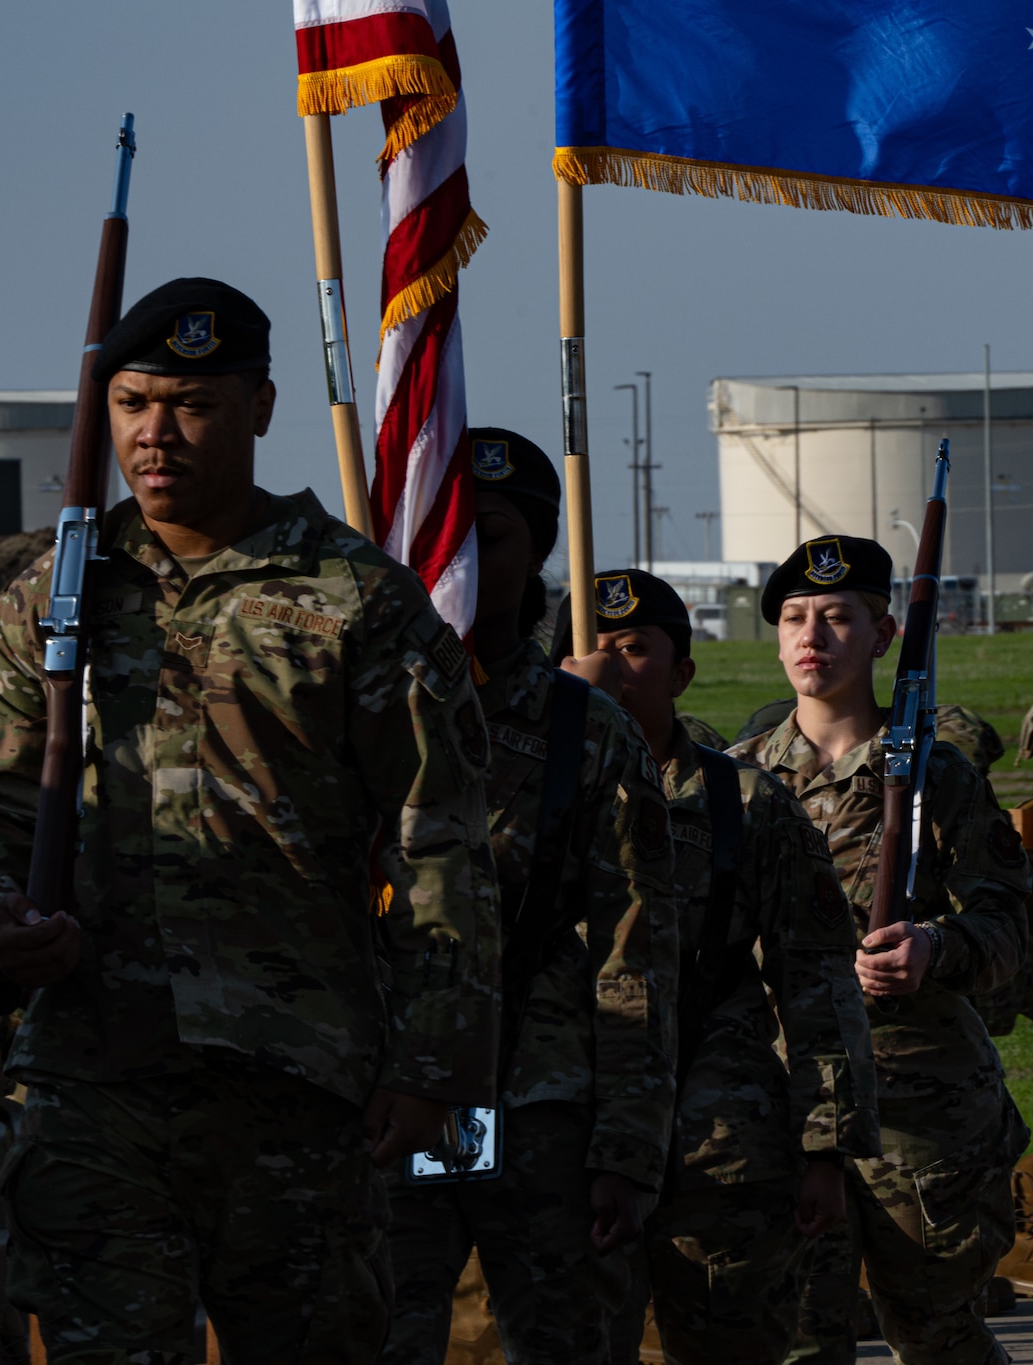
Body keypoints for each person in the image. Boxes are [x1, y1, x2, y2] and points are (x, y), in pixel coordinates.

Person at [0, 278, 501, 1363]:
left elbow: (438, 842)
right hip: (93, 1077)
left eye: (191, 406)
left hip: (292, 1078)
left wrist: (434, 1068)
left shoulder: (355, 599)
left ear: (259, 406)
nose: (155, 435)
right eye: (132, 403)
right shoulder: (53, 604)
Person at [379, 428, 679, 1365]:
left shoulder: (585, 733)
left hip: (537, 1111)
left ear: (539, 549)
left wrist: (628, 1149)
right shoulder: (363, 711)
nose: (459, 558)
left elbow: (637, 950)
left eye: (490, 535)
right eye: (443, 533)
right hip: (391, 1097)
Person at [562, 569, 879, 1365]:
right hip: (560, 1128)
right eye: (591, 652)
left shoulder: (744, 801)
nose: (611, 669)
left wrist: (824, 1146)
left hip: (716, 1149)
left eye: (635, 650)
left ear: (682, 673)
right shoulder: (526, 794)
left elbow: (816, 978)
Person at [729, 536, 1032, 1365]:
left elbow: (1009, 925)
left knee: (938, 1337)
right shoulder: (736, 781)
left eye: (836, 617)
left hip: (921, 1109)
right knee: (797, 1339)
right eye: (793, 618)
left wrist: (937, 944)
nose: (811, 637)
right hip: (786, 1102)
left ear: (883, 634)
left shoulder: (940, 778)